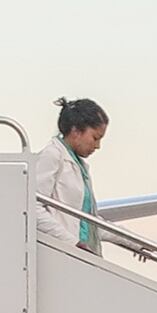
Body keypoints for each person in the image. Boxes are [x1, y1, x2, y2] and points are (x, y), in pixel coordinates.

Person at [30, 98, 108, 248]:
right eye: (95, 138)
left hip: (81, 253)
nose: (97, 146)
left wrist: (132, 243)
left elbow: (89, 223)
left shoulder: (80, 166)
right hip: (63, 252)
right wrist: (72, 242)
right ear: (76, 131)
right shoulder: (52, 155)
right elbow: (33, 208)